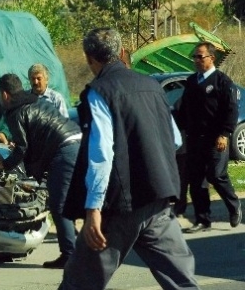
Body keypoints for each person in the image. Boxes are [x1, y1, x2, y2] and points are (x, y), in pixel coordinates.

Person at [60, 28, 198, 289]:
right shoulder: (152, 86)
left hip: (120, 206)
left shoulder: (99, 92)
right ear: (122, 52)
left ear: (89, 58)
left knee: (79, 283)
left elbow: (102, 153)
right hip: (158, 199)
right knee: (182, 282)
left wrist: (93, 210)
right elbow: (175, 140)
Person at [0, 73, 81, 269]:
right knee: (74, 200)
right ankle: (83, 250)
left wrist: (4, 164)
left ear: (4, 94)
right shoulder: (34, 100)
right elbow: (34, 137)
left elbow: (22, 147)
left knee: (59, 204)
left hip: (64, 150)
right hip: (78, 142)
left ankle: (70, 255)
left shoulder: (15, 112)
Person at [177, 41, 242, 233]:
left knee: (216, 174)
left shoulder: (221, 81)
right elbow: (183, 110)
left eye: (200, 56)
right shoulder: (191, 82)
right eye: (194, 56)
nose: (196, 60)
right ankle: (202, 220)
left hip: (216, 138)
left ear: (211, 58)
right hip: (195, 139)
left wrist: (224, 134)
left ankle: (234, 205)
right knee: (196, 180)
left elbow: (231, 109)